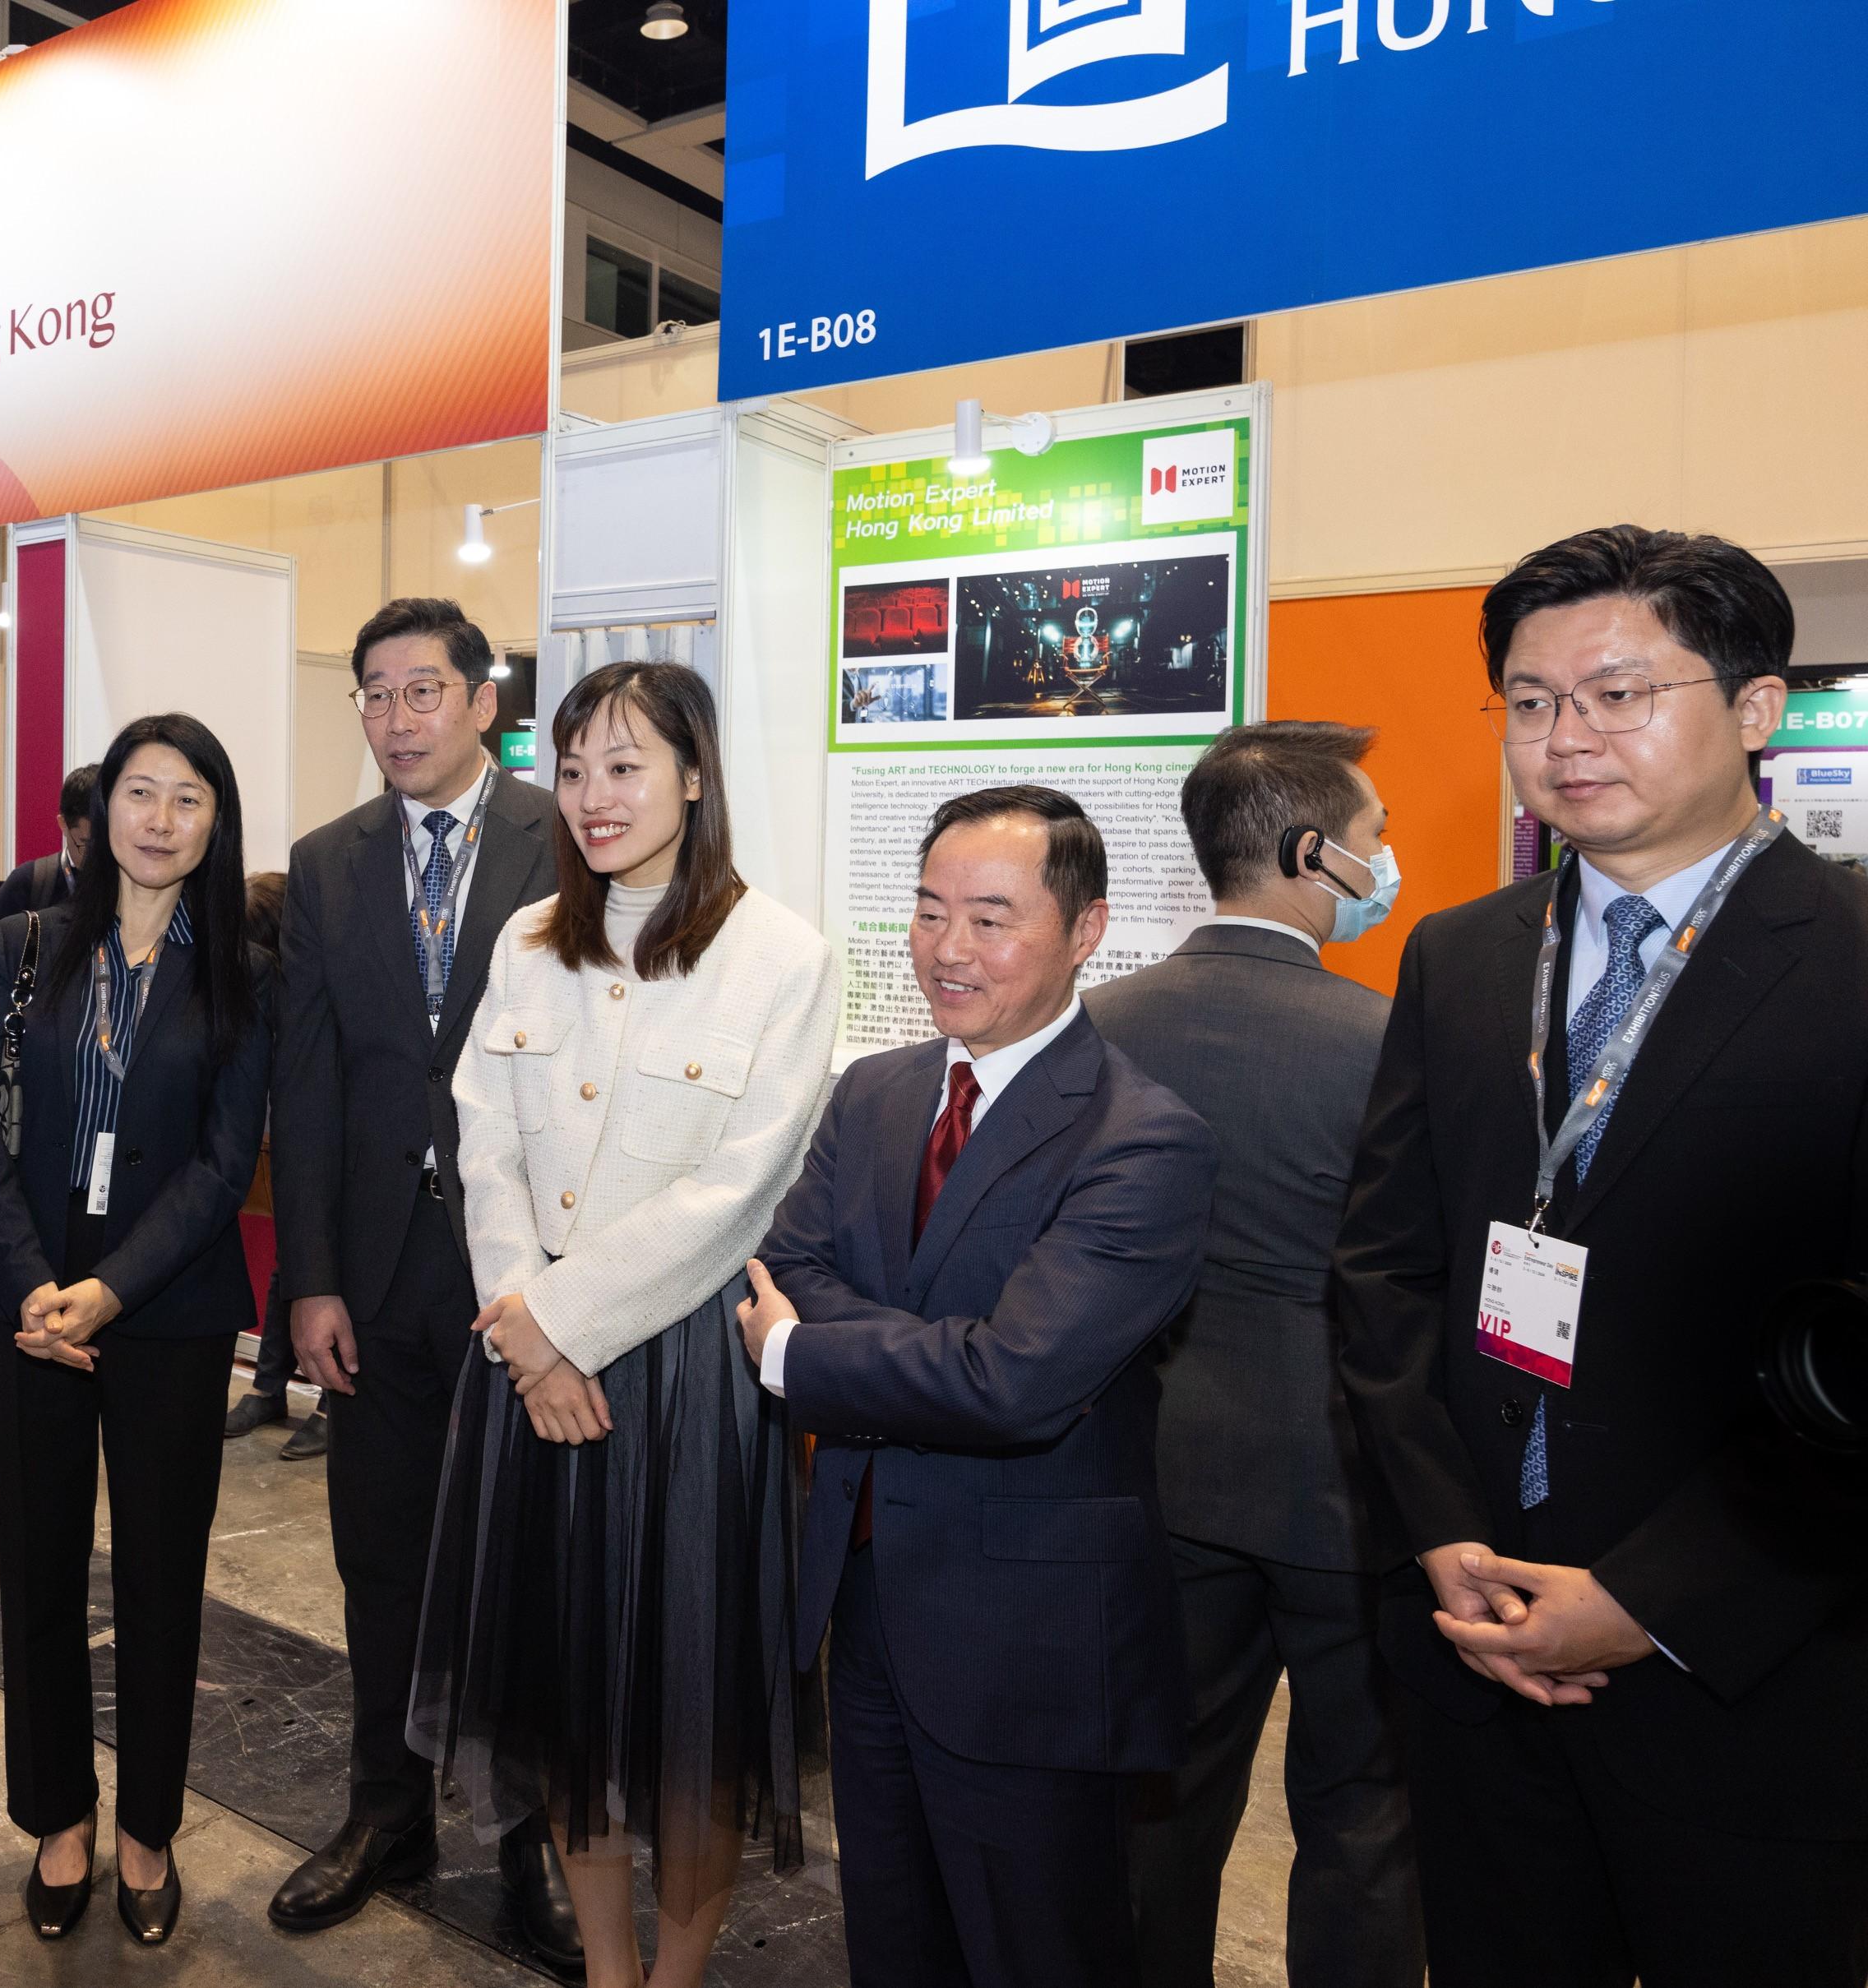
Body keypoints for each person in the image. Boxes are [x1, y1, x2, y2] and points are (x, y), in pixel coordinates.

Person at [1334, 526, 1868, 1986]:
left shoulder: (1843, 960)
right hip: (1471, 1640)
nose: (1562, 738)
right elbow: (1382, 1272)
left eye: (1616, 693)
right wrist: (1443, 1539)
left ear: (1753, 708)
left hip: (1746, 1669)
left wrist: (1647, 1600)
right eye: (1526, 700)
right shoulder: (1459, 954)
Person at [743, 784, 1217, 1988]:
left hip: (1030, 1642)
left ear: (1088, 928)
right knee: (893, 1941)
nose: (948, 950)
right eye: (928, 910)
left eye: (992, 918)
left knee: (1039, 1949)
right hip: (865, 1599)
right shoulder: (879, 1090)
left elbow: (1015, 1380)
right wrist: (933, 1346)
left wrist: (803, 1351)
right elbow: (787, 1262)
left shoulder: (1141, 1136)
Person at [412, 660, 839, 1988]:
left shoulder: (779, 954)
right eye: (579, 766)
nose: (595, 797)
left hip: (679, 1383)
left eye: (627, 765)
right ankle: (606, 1966)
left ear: (694, 776)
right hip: (524, 1357)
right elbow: (480, 1138)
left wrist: (563, 1326)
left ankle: (677, 1968)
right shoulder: (529, 935)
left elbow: (743, 1185)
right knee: (562, 1702)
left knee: (684, 1711)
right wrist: (519, 1321)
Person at [263, 599, 576, 1963]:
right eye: (374, 695)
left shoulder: (564, 838)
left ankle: (533, 1838)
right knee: (377, 1551)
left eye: (421, 692)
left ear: (481, 698)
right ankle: (384, 1810)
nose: (396, 719)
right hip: (378, 1278)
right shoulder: (324, 862)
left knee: (532, 1561)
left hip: (532, 1279)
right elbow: (311, 1078)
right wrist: (309, 1276)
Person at [1086, 723, 1422, 1988]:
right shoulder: (1386, 1036)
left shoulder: (1098, 1025)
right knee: (1366, 1816)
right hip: (1347, 1485)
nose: (1387, 858)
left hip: (1159, 1472)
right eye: (1375, 834)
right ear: (1309, 850)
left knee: (1159, 1804)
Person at [0, 712, 271, 1949]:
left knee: (160, 1580)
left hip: (167, 1313)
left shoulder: (244, 966)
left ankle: (146, 1830)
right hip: (23, 1308)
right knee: (34, 1565)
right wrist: (33, 1286)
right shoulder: (27, 945)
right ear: (104, 808)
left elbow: (224, 1159)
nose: (161, 818)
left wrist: (111, 1291)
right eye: (142, 791)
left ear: (215, 823)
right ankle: (58, 1819)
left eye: (190, 798)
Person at [223, 870, 326, 1460]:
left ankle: (334, 1399)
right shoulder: (258, 989)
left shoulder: (316, 987)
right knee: (292, 1260)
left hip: (336, 1142)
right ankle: (268, 1386)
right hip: (286, 1138)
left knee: (334, 1268)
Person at [0, 763, 99, 919]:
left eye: (106, 842)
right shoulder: (28, 883)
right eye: (86, 844)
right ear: (63, 824)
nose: (99, 855)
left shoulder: (132, 882)